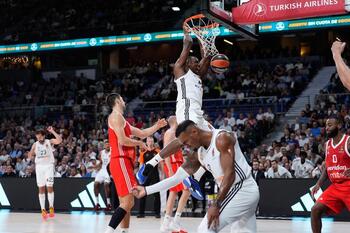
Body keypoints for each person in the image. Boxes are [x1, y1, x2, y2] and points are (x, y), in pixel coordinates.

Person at [133, 120, 260, 233]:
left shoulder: (222, 138)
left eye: (186, 141)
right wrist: (146, 190)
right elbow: (175, 179)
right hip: (244, 193)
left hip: (241, 190)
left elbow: (230, 175)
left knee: (205, 228)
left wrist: (216, 205)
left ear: (194, 132)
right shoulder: (198, 154)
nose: (185, 146)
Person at [137, 26, 211, 187]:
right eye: (194, 61)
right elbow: (187, 45)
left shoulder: (199, 76)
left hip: (198, 113)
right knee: (184, 139)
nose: (197, 63)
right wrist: (189, 35)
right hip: (186, 109)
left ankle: (194, 177)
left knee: (211, 142)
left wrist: (203, 39)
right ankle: (149, 165)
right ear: (187, 63)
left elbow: (207, 58)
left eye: (198, 62)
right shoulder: (180, 71)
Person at [104, 93, 167, 233]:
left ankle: (124, 231)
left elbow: (142, 133)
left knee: (126, 203)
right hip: (120, 161)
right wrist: (139, 143)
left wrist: (156, 126)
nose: (124, 100)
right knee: (128, 202)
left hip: (123, 162)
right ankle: (109, 231)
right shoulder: (115, 116)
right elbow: (122, 140)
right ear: (117, 101)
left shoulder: (122, 120)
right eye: (122, 98)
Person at [311, 116, 350, 233]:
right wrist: (318, 183)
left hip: (349, 185)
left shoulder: (348, 141)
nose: (326, 128)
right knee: (315, 210)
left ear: (338, 125)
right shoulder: (327, 145)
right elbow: (327, 167)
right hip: (336, 186)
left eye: (330, 125)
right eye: (326, 125)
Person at [161, 116, 191, 232]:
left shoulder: (176, 133)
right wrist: (169, 169)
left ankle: (167, 222)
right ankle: (174, 221)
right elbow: (166, 152)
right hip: (173, 165)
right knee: (184, 190)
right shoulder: (169, 133)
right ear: (174, 121)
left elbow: (179, 151)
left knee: (174, 193)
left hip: (179, 164)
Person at [28, 127, 62, 220]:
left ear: (43, 136)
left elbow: (59, 140)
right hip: (39, 168)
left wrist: (52, 131)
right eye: (37, 137)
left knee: (50, 186)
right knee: (41, 188)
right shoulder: (35, 145)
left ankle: (51, 207)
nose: (38, 138)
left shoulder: (49, 141)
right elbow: (29, 155)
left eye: (40, 137)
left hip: (48, 167)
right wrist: (30, 154)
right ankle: (43, 209)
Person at [137, 136, 161, 218]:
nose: (150, 142)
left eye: (151, 140)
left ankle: (157, 213)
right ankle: (141, 213)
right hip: (145, 175)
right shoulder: (143, 152)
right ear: (146, 142)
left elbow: (161, 164)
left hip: (155, 174)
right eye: (148, 141)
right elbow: (141, 165)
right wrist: (140, 176)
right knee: (143, 193)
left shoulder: (158, 151)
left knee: (156, 194)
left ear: (153, 142)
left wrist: (162, 175)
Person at [94, 141, 112, 211]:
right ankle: (97, 204)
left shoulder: (112, 152)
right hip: (102, 170)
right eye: (106, 145)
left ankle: (108, 204)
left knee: (106, 184)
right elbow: (101, 162)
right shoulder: (101, 152)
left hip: (109, 170)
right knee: (95, 184)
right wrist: (95, 166)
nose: (107, 146)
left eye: (108, 144)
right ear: (104, 146)